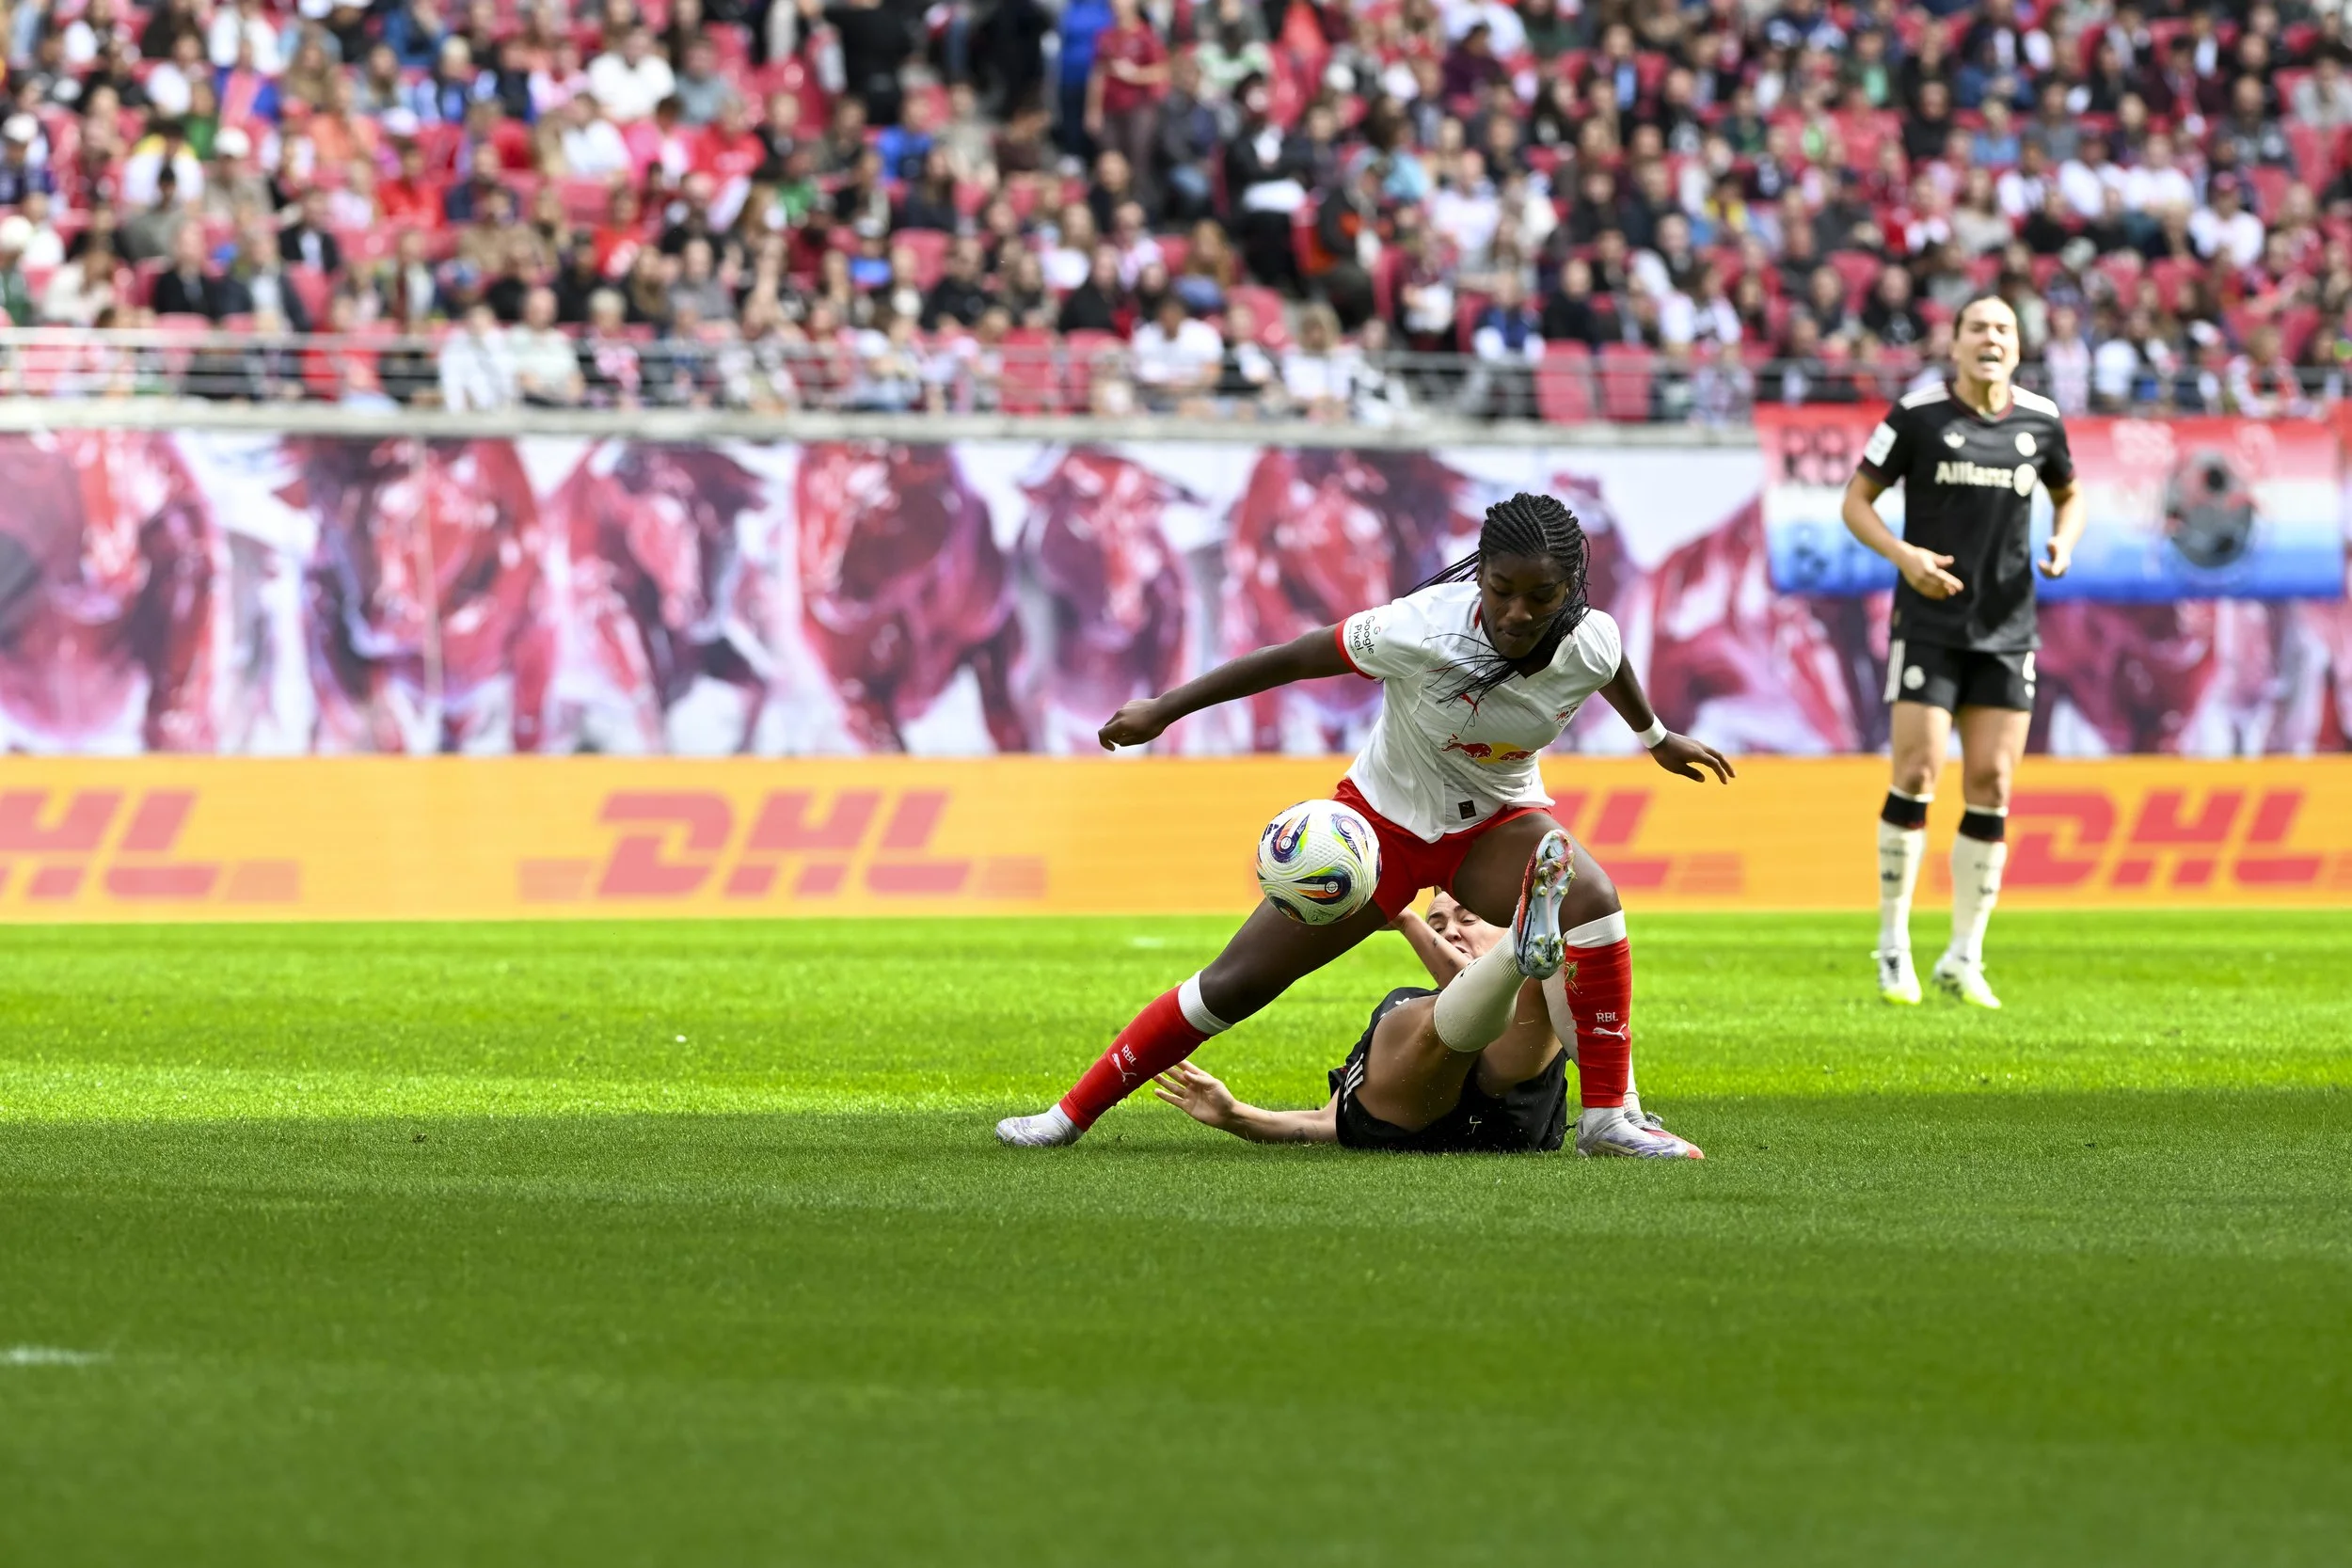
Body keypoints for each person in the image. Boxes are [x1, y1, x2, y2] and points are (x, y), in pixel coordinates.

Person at [997, 492, 1731, 1158]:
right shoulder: (1420, 627)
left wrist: (1656, 736)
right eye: (1501, 589)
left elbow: (1610, 665)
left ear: (1571, 590)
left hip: (1496, 823)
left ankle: (1609, 1119)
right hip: (1378, 833)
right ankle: (1068, 1115)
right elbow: (1293, 657)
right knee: (1231, 985)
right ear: (1479, 577)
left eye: (1540, 596)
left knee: (1592, 898)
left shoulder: (1590, 639)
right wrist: (1163, 709)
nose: (1517, 612)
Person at [1839, 295, 2086, 1010]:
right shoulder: (1917, 415)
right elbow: (1856, 502)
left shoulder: (2041, 420)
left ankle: (1964, 955)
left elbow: (2071, 494)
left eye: (2004, 328)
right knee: (1917, 771)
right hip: (1929, 624)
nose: (1991, 338)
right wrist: (1904, 556)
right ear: (1954, 344)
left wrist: (2064, 541)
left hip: (2008, 629)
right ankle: (1893, 946)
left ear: (2018, 346)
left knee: (1993, 783)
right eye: (1978, 327)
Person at [1155, 848, 1646, 1156]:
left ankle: (1620, 1114)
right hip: (1406, 1116)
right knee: (1421, 1015)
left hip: (1512, 1116)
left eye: (1467, 919)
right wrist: (1236, 1115)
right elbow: (1326, 1123)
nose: (1450, 931)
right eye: (1438, 924)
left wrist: (1410, 920)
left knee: (1552, 979)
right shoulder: (1408, 1003)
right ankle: (1518, 953)